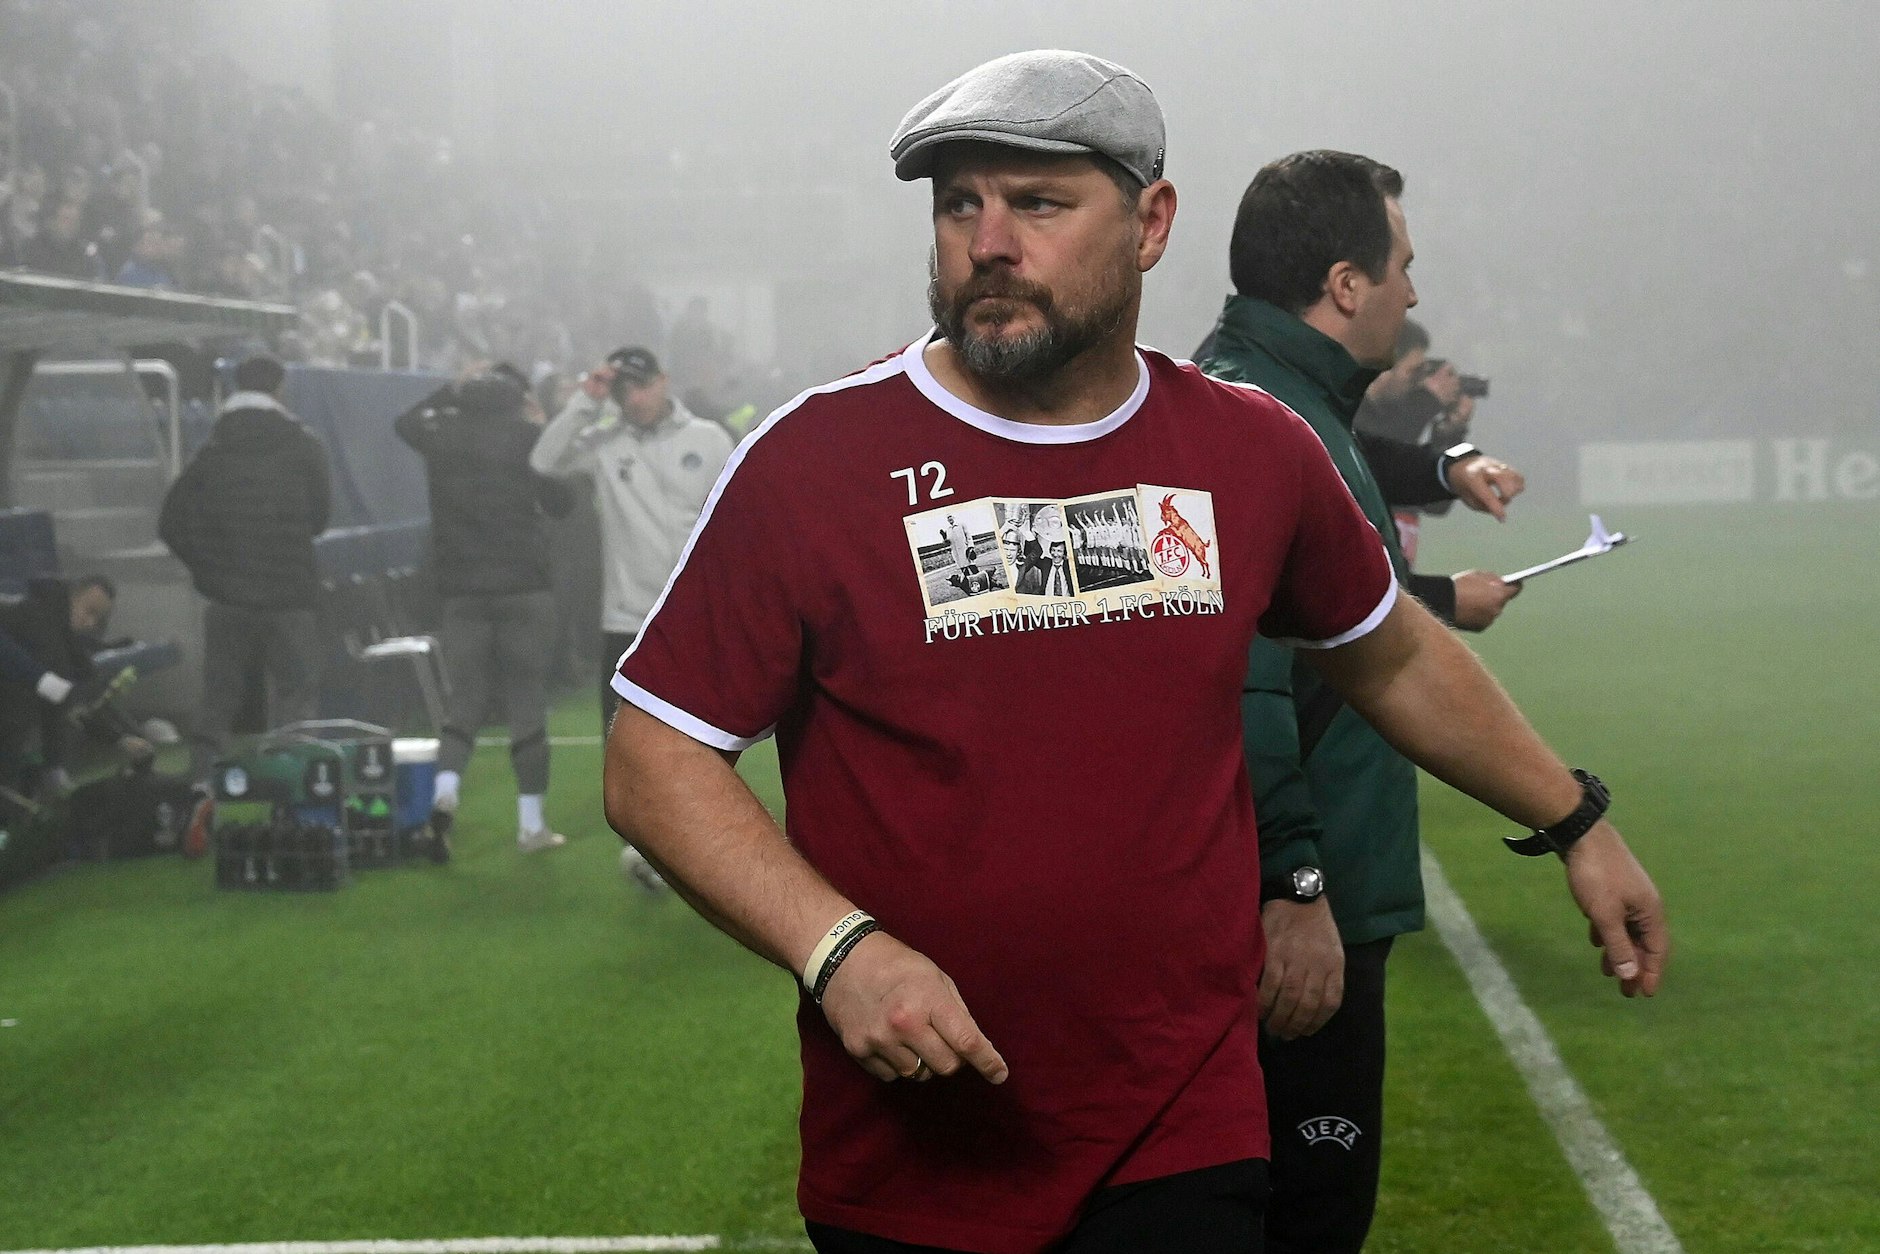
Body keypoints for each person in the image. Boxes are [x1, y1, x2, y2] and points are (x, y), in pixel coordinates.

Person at [602, 51, 1667, 1254]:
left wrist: (1574, 821)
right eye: (959, 204)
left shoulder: (1248, 451)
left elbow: (1390, 656)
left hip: (1182, 1125)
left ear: (1150, 222)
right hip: (912, 1153)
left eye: (1038, 204)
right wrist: (835, 950)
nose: (986, 242)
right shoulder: (815, 463)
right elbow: (653, 758)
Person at [1192, 149, 1531, 1253]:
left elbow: (1337, 487)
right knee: (1303, 1218)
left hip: (1312, 881)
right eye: (1402, 266)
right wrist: (1293, 879)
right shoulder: (1254, 413)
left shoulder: (1270, 393)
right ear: (1344, 284)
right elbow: (1248, 670)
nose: (1413, 293)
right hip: (1301, 895)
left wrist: (1441, 470)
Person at [396, 371, 575, 857]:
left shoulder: (443, 436)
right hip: (524, 587)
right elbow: (563, 503)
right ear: (517, 401)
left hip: (461, 590)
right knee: (526, 700)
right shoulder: (528, 438)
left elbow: (403, 422)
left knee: (465, 700)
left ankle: (446, 793)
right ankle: (531, 824)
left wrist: (449, 389)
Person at [529, 346, 733, 732]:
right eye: (623, 391)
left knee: (702, 742)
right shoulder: (603, 444)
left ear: (662, 382)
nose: (634, 399)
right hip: (627, 622)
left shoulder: (709, 439)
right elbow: (544, 461)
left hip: (694, 615)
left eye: (641, 387)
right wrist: (587, 400)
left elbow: (735, 520)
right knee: (622, 745)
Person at [158, 353, 331, 782]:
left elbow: (172, 523)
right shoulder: (304, 444)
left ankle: (199, 791)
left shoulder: (213, 451)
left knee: (218, 699)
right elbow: (322, 517)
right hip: (289, 594)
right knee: (295, 693)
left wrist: (210, 572)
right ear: (279, 388)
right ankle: (295, 790)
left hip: (229, 597)